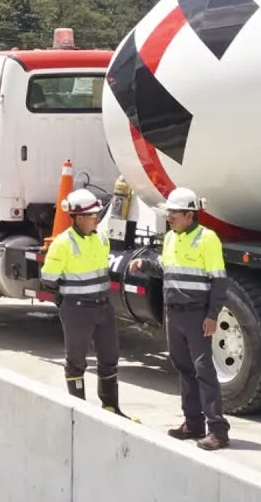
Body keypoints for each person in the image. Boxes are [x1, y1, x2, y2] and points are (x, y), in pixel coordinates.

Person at [131, 187, 230, 450]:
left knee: (203, 371)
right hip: (173, 314)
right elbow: (167, 268)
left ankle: (218, 431)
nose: (169, 217)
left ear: (189, 214)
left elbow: (219, 281)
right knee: (184, 368)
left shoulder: (207, 239)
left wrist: (212, 316)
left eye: (174, 213)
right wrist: (145, 264)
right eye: (168, 213)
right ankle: (193, 423)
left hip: (197, 314)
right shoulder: (170, 238)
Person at [41, 188, 129, 418]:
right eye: (92, 215)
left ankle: (111, 407)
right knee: (76, 361)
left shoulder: (101, 239)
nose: (96, 219)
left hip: (103, 308)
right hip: (77, 309)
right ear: (79, 217)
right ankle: (79, 413)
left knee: (110, 358)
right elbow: (48, 279)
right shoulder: (62, 243)